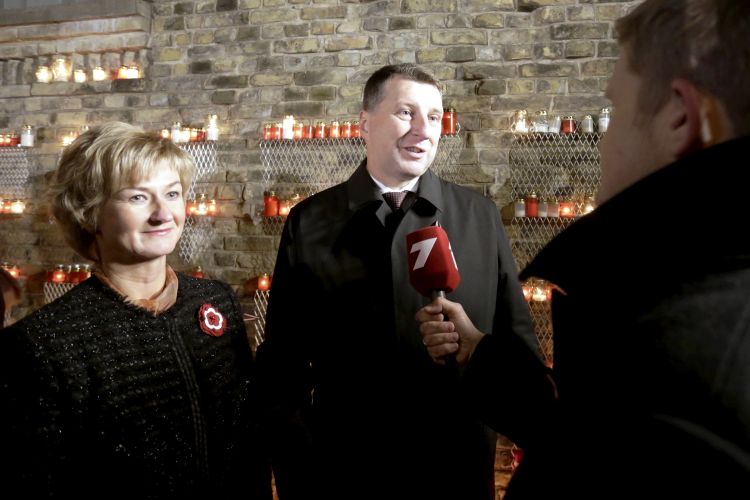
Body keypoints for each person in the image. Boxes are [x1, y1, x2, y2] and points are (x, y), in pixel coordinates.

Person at [417, 0, 750, 497]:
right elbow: (587, 439)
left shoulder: (680, 357)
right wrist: (479, 354)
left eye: (616, 111)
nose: (606, 142)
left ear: (680, 118)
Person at [255, 64, 553, 500]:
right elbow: (283, 367)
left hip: (455, 475)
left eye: (433, 117)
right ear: (364, 123)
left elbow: (519, 350)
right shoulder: (310, 220)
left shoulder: (479, 216)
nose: (423, 130)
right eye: (405, 113)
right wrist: (299, 472)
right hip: (343, 476)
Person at [0, 122, 268, 498]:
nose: (163, 214)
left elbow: (249, 443)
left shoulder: (216, 301)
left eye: (172, 194)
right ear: (89, 213)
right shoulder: (40, 344)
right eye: (138, 197)